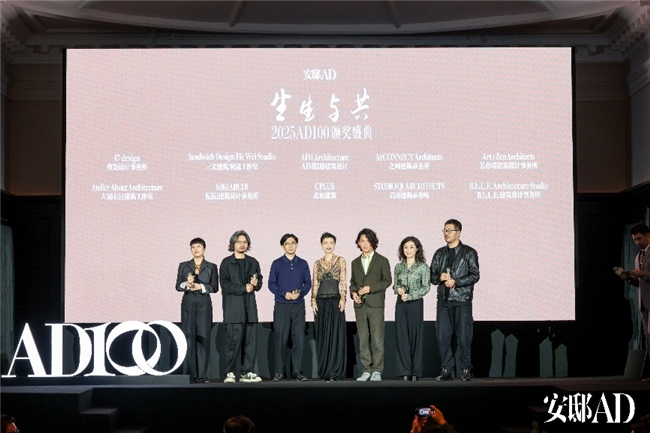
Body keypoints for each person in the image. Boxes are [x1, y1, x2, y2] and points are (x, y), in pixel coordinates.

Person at [430, 219, 479, 381]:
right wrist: (440, 277)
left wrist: (456, 281)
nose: (446, 233)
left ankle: (466, 369)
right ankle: (446, 369)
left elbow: (475, 275)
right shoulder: (439, 253)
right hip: (444, 301)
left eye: (449, 230)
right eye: (444, 230)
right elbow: (431, 276)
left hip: (462, 300)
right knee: (442, 337)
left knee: (464, 338)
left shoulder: (469, 252)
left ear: (458, 233)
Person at [219, 230, 263, 383]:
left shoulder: (253, 262)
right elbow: (225, 285)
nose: (242, 244)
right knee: (233, 343)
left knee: (250, 343)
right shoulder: (226, 262)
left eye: (245, 242)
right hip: (233, 310)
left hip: (249, 309)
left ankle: (247, 372)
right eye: (239, 242)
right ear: (233, 244)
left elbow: (259, 283)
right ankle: (230, 372)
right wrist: (244, 288)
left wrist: (256, 283)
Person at [349, 228, 392, 381]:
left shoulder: (382, 260)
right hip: (360, 306)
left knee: (377, 339)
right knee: (363, 339)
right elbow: (353, 283)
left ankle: (377, 371)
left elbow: (387, 281)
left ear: (373, 242)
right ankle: (366, 369)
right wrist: (353, 293)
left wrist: (370, 288)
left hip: (375, 305)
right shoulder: (355, 262)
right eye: (362, 241)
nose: (365, 244)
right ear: (358, 243)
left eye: (368, 241)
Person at [268, 233, 312, 381]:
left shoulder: (303, 263)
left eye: (293, 243)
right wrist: (284, 294)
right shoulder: (277, 263)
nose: (290, 246)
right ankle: (279, 372)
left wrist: (299, 293)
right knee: (280, 339)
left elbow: (308, 283)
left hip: (298, 306)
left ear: (297, 245)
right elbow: (271, 284)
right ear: (283, 246)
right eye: (287, 243)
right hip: (282, 305)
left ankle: (297, 372)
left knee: (298, 339)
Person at [175, 237, 219, 383]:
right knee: (188, 337)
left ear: (204, 249)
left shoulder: (211, 266)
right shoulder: (184, 265)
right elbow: (178, 286)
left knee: (203, 337)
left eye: (198, 246)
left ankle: (202, 374)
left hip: (203, 303)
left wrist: (201, 287)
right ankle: (189, 373)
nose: (196, 249)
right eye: (193, 247)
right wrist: (186, 285)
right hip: (188, 303)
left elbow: (215, 287)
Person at [311, 232, 347, 381]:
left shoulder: (340, 260)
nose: (328, 245)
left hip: (335, 301)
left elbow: (343, 281)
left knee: (335, 336)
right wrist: (313, 301)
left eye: (331, 242)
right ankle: (325, 370)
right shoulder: (317, 263)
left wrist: (343, 299)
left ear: (335, 244)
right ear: (321, 245)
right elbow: (315, 283)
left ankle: (335, 371)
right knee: (324, 337)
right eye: (325, 242)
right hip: (321, 302)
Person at [393, 236, 430, 381]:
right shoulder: (399, 266)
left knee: (415, 336)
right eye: (405, 247)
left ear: (417, 249)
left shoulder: (423, 267)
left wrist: (411, 295)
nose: (408, 250)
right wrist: (399, 289)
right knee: (402, 336)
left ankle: (416, 371)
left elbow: (426, 287)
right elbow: (395, 285)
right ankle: (405, 371)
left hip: (415, 303)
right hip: (401, 304)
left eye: (411, 247)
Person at [620, 223, 650, 379]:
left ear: (648, 235)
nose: (637, 242)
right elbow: (640, 283)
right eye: (634, 240)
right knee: (648, 338)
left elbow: (645, 276)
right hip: (644, 304)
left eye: (639, 239)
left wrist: (644, 273)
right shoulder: (639, 256)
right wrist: (628, 278)